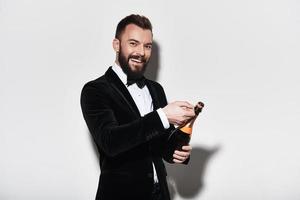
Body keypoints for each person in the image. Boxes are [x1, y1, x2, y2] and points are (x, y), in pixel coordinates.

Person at [80, 14, 195, 200]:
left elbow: (160, 146)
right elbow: (111, 142)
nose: (141, 52)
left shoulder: (156, 90)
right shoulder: (95, 90)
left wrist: (177, 149)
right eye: (133, 43)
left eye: (147, 46)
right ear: (116, 45)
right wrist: (164, 116)